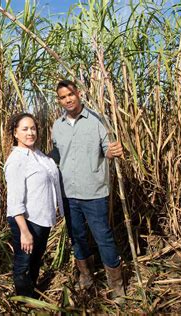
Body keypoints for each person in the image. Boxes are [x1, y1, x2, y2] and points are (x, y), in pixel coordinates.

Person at [50, 80, 125, 302]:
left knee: (103, 237)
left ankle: (116, 286)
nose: (68, 100)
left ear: (79, 93)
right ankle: (86, 278)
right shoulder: (58, 125)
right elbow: (57, 154)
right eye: (63, 97)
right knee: (77, 237)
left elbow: (107, 151)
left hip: (94, 192)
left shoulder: (97, 120)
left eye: (70, 94)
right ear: (60, 100)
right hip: (68, 193)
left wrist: (114, 151)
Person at [4, 112, 64, 298]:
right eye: (25, 129)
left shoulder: (38, 155)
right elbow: (14, 201)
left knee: (35, 261)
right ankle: (24, 301)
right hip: (26, 220)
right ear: (15, 133)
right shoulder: (16, 160)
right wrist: (24, 231)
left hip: (42, 219)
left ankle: (33, 294)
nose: (30, 133)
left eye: (33, 128)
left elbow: (53, 164)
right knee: (23, 264)